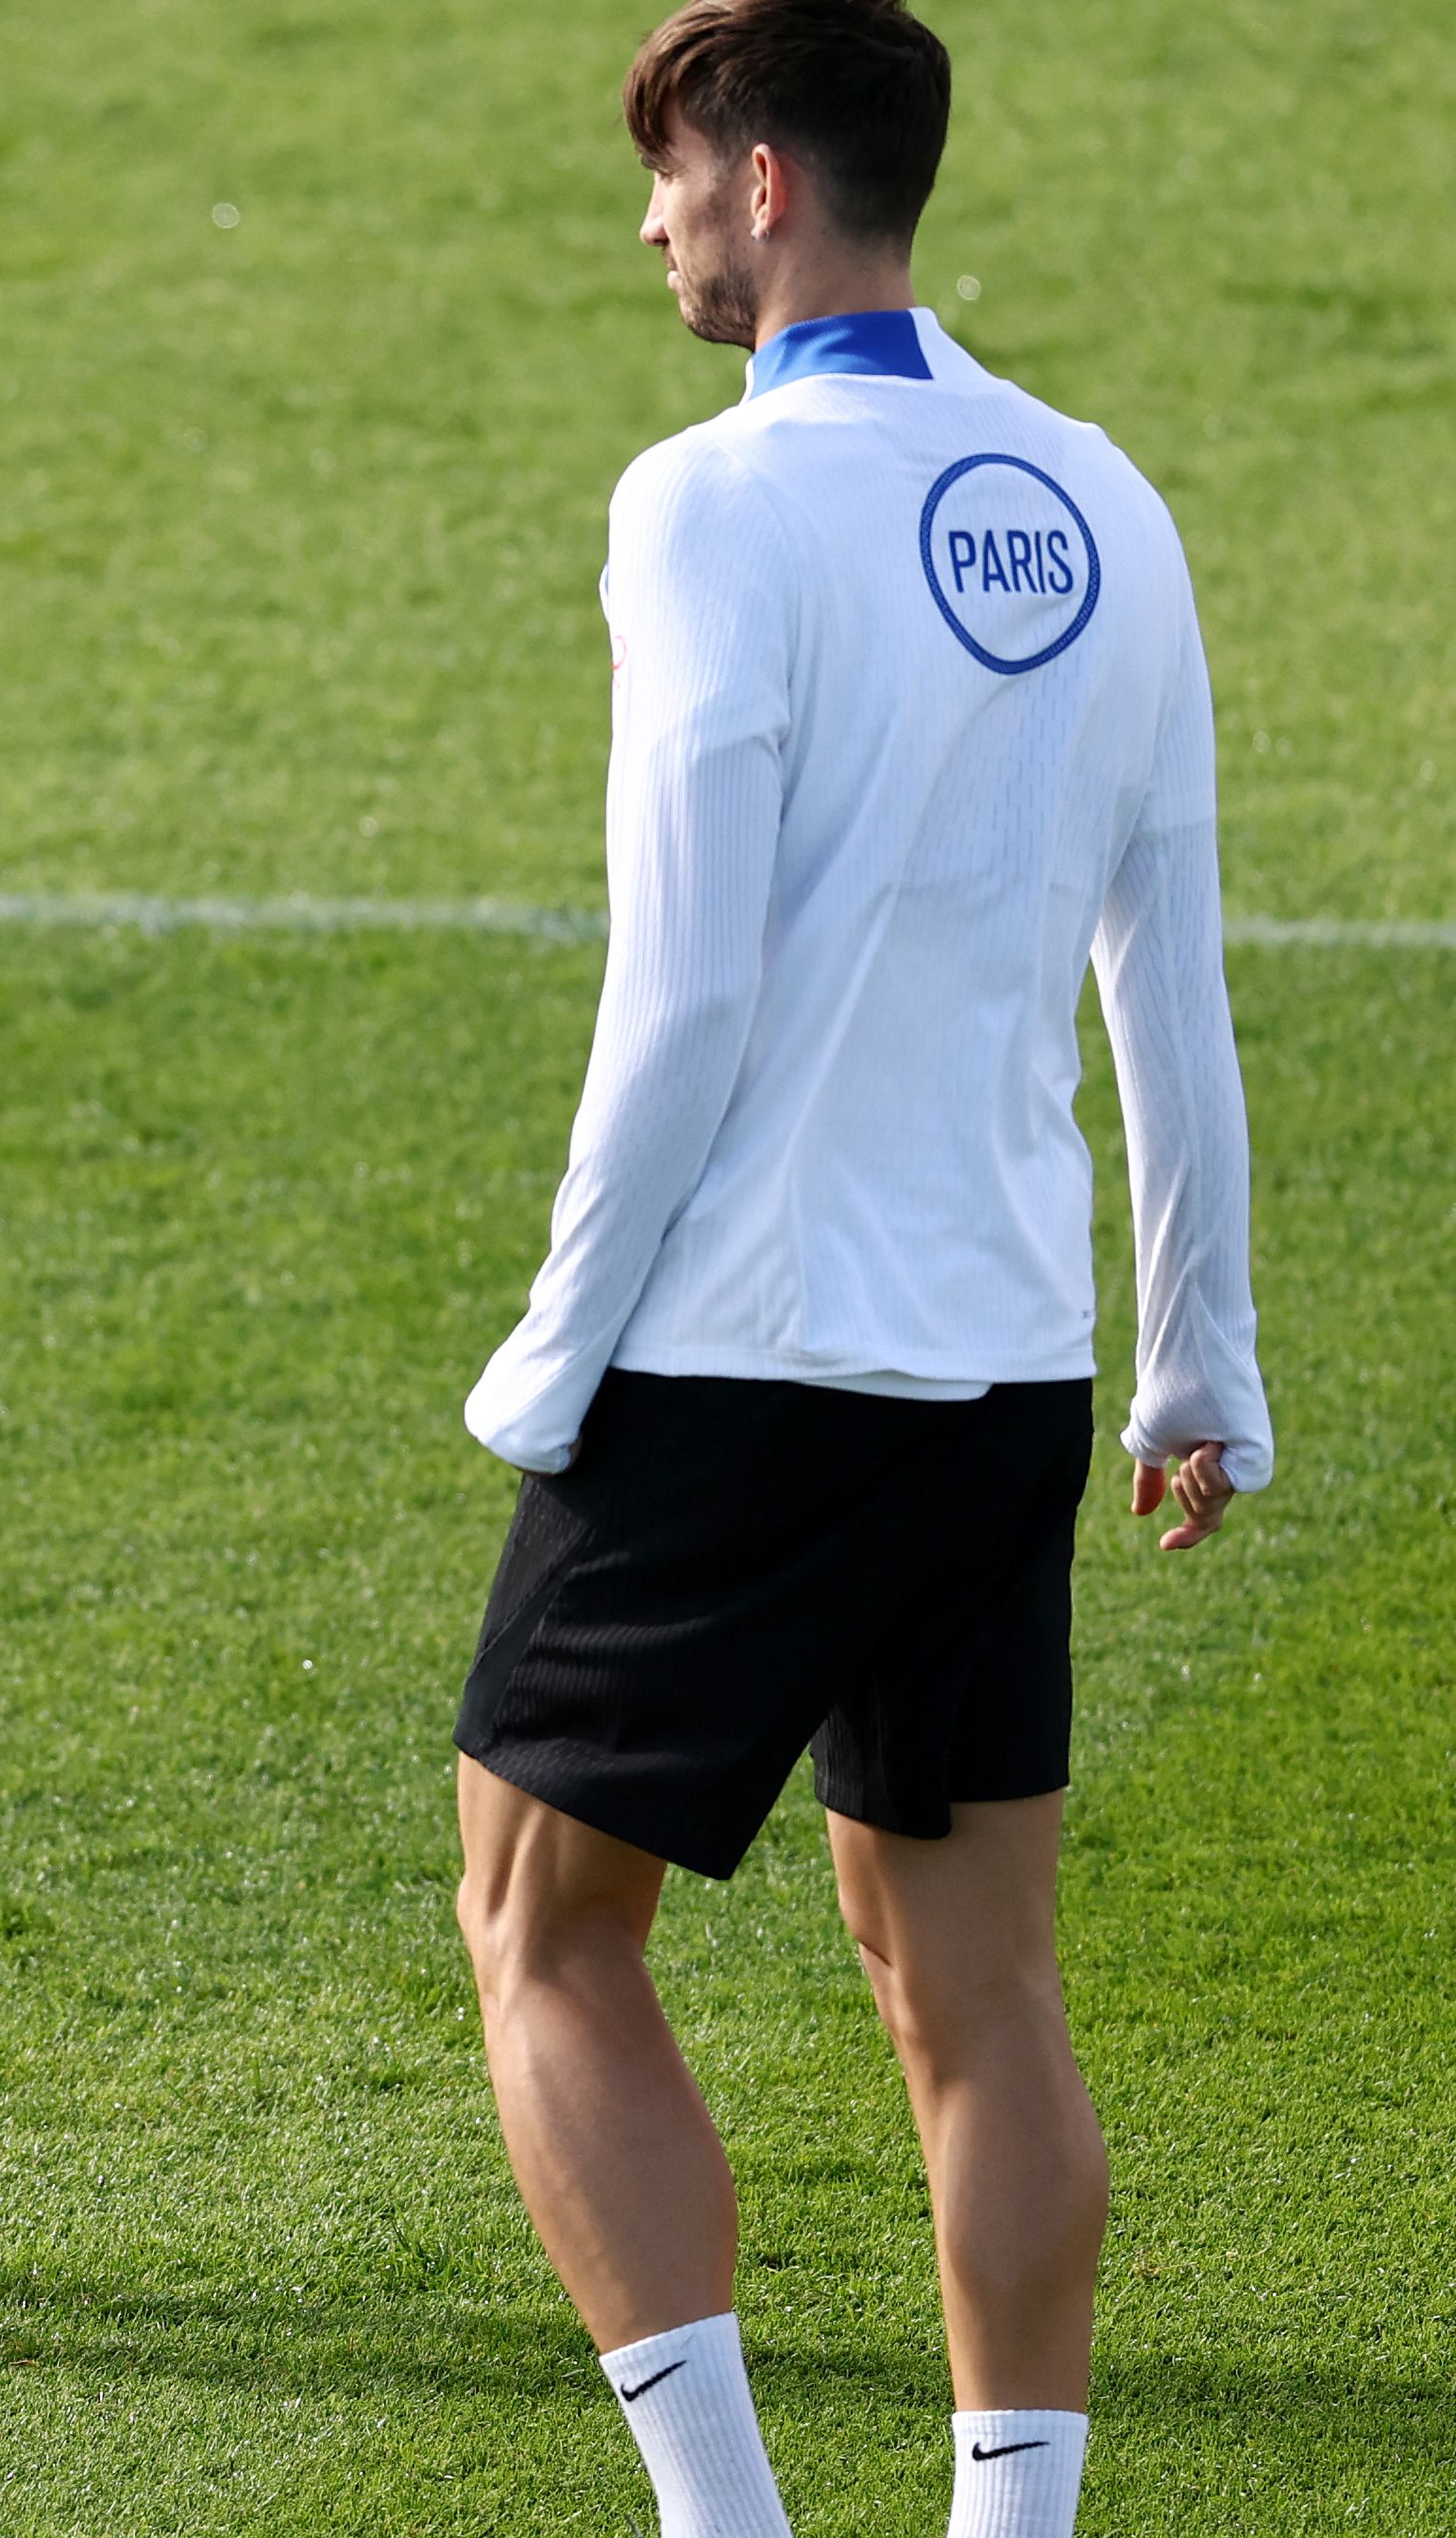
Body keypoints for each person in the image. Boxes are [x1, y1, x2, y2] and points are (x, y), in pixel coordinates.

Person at [449, 8, 1269, 2534]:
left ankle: (725, 2525)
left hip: (737, 1355)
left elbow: (677, 988)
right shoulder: (1105, 503)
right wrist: (1191, 1361)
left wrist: (549, 1349)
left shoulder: (708, 510)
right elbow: (1173, 959)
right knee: (972, 1984)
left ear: (771, 180)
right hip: (1005, 1367)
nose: (651, 221)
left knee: (535, 1922)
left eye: (673, 177)